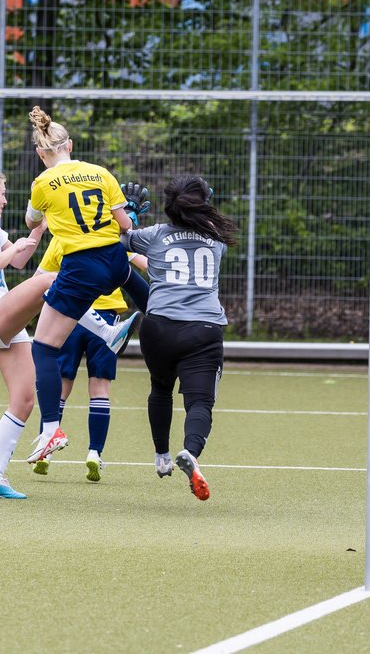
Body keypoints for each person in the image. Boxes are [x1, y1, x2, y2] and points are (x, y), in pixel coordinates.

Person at [0, 165, 135, 500]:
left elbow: (19, 262)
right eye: (2, 193)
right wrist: (14, 247)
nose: (5, 199)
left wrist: (40, 231)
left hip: (2, 314)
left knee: (24, 399)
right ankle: (106, 333)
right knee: (49, 280)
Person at [23, 106, 141, 465]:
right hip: (112, 258)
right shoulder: (100, 172)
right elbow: (125, 225)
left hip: (79, 265)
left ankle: (50, 430)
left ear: (40, 153)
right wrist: (130, 213)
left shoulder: (42, 183)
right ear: (70, 144)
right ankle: (174, 330)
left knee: (42, 349)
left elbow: (32, 219)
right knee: (142, 291)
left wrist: (44, 213)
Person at [122, 176, 236, 501]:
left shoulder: (155, 235)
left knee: (160, 388)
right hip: (202, 329)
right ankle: (191, 452)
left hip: (157, 327)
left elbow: (117, 240)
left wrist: (129, 212)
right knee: (200, 403)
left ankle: (161, 456)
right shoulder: (217, 239)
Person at [31, 238, 149, 482]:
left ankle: (46, 451)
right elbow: (145, 265)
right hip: (106, 317)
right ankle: (95, 453)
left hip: (70, 314)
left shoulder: (62, 238)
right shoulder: (110, 238)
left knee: (62, 385)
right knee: (100, 387)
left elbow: (38, 277)